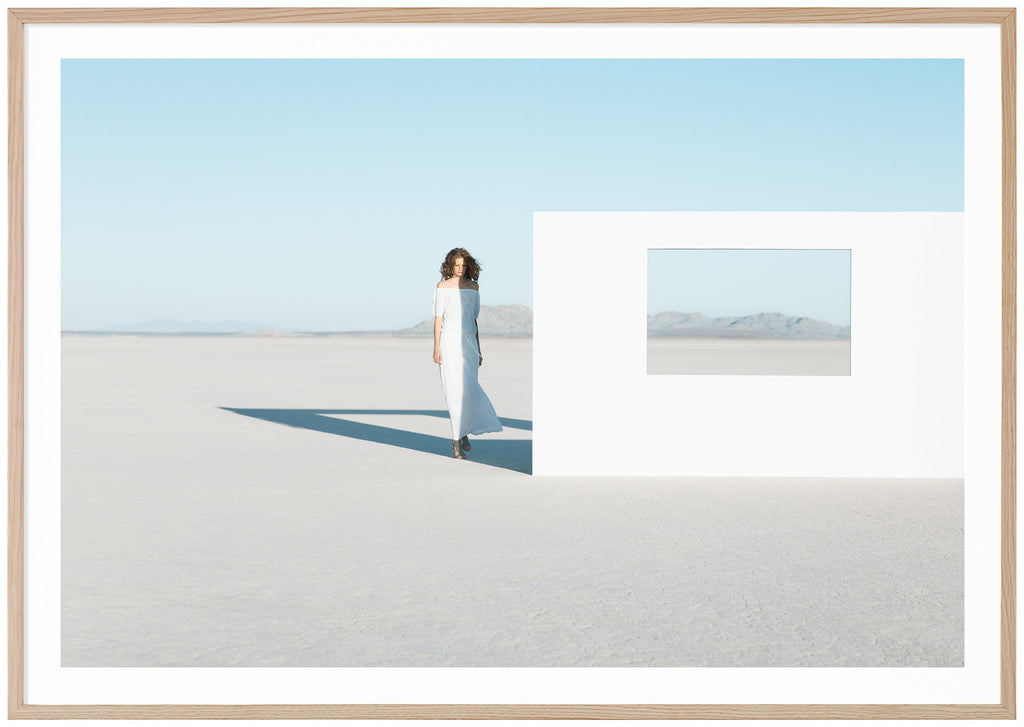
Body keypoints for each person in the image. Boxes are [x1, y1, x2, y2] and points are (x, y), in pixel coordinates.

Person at [433, 248, 502, 459]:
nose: (460, 269)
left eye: (463, 265)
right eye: (456, 265)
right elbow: (439, 319)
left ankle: (463, 433)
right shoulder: (442, 287)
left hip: (469, 343)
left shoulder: (473, 287)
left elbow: (473, 320)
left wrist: (479, 350)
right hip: (449, 343)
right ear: (450, 265)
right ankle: (456, 441)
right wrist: (436, 348)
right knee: (453, 392)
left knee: (469, 391)